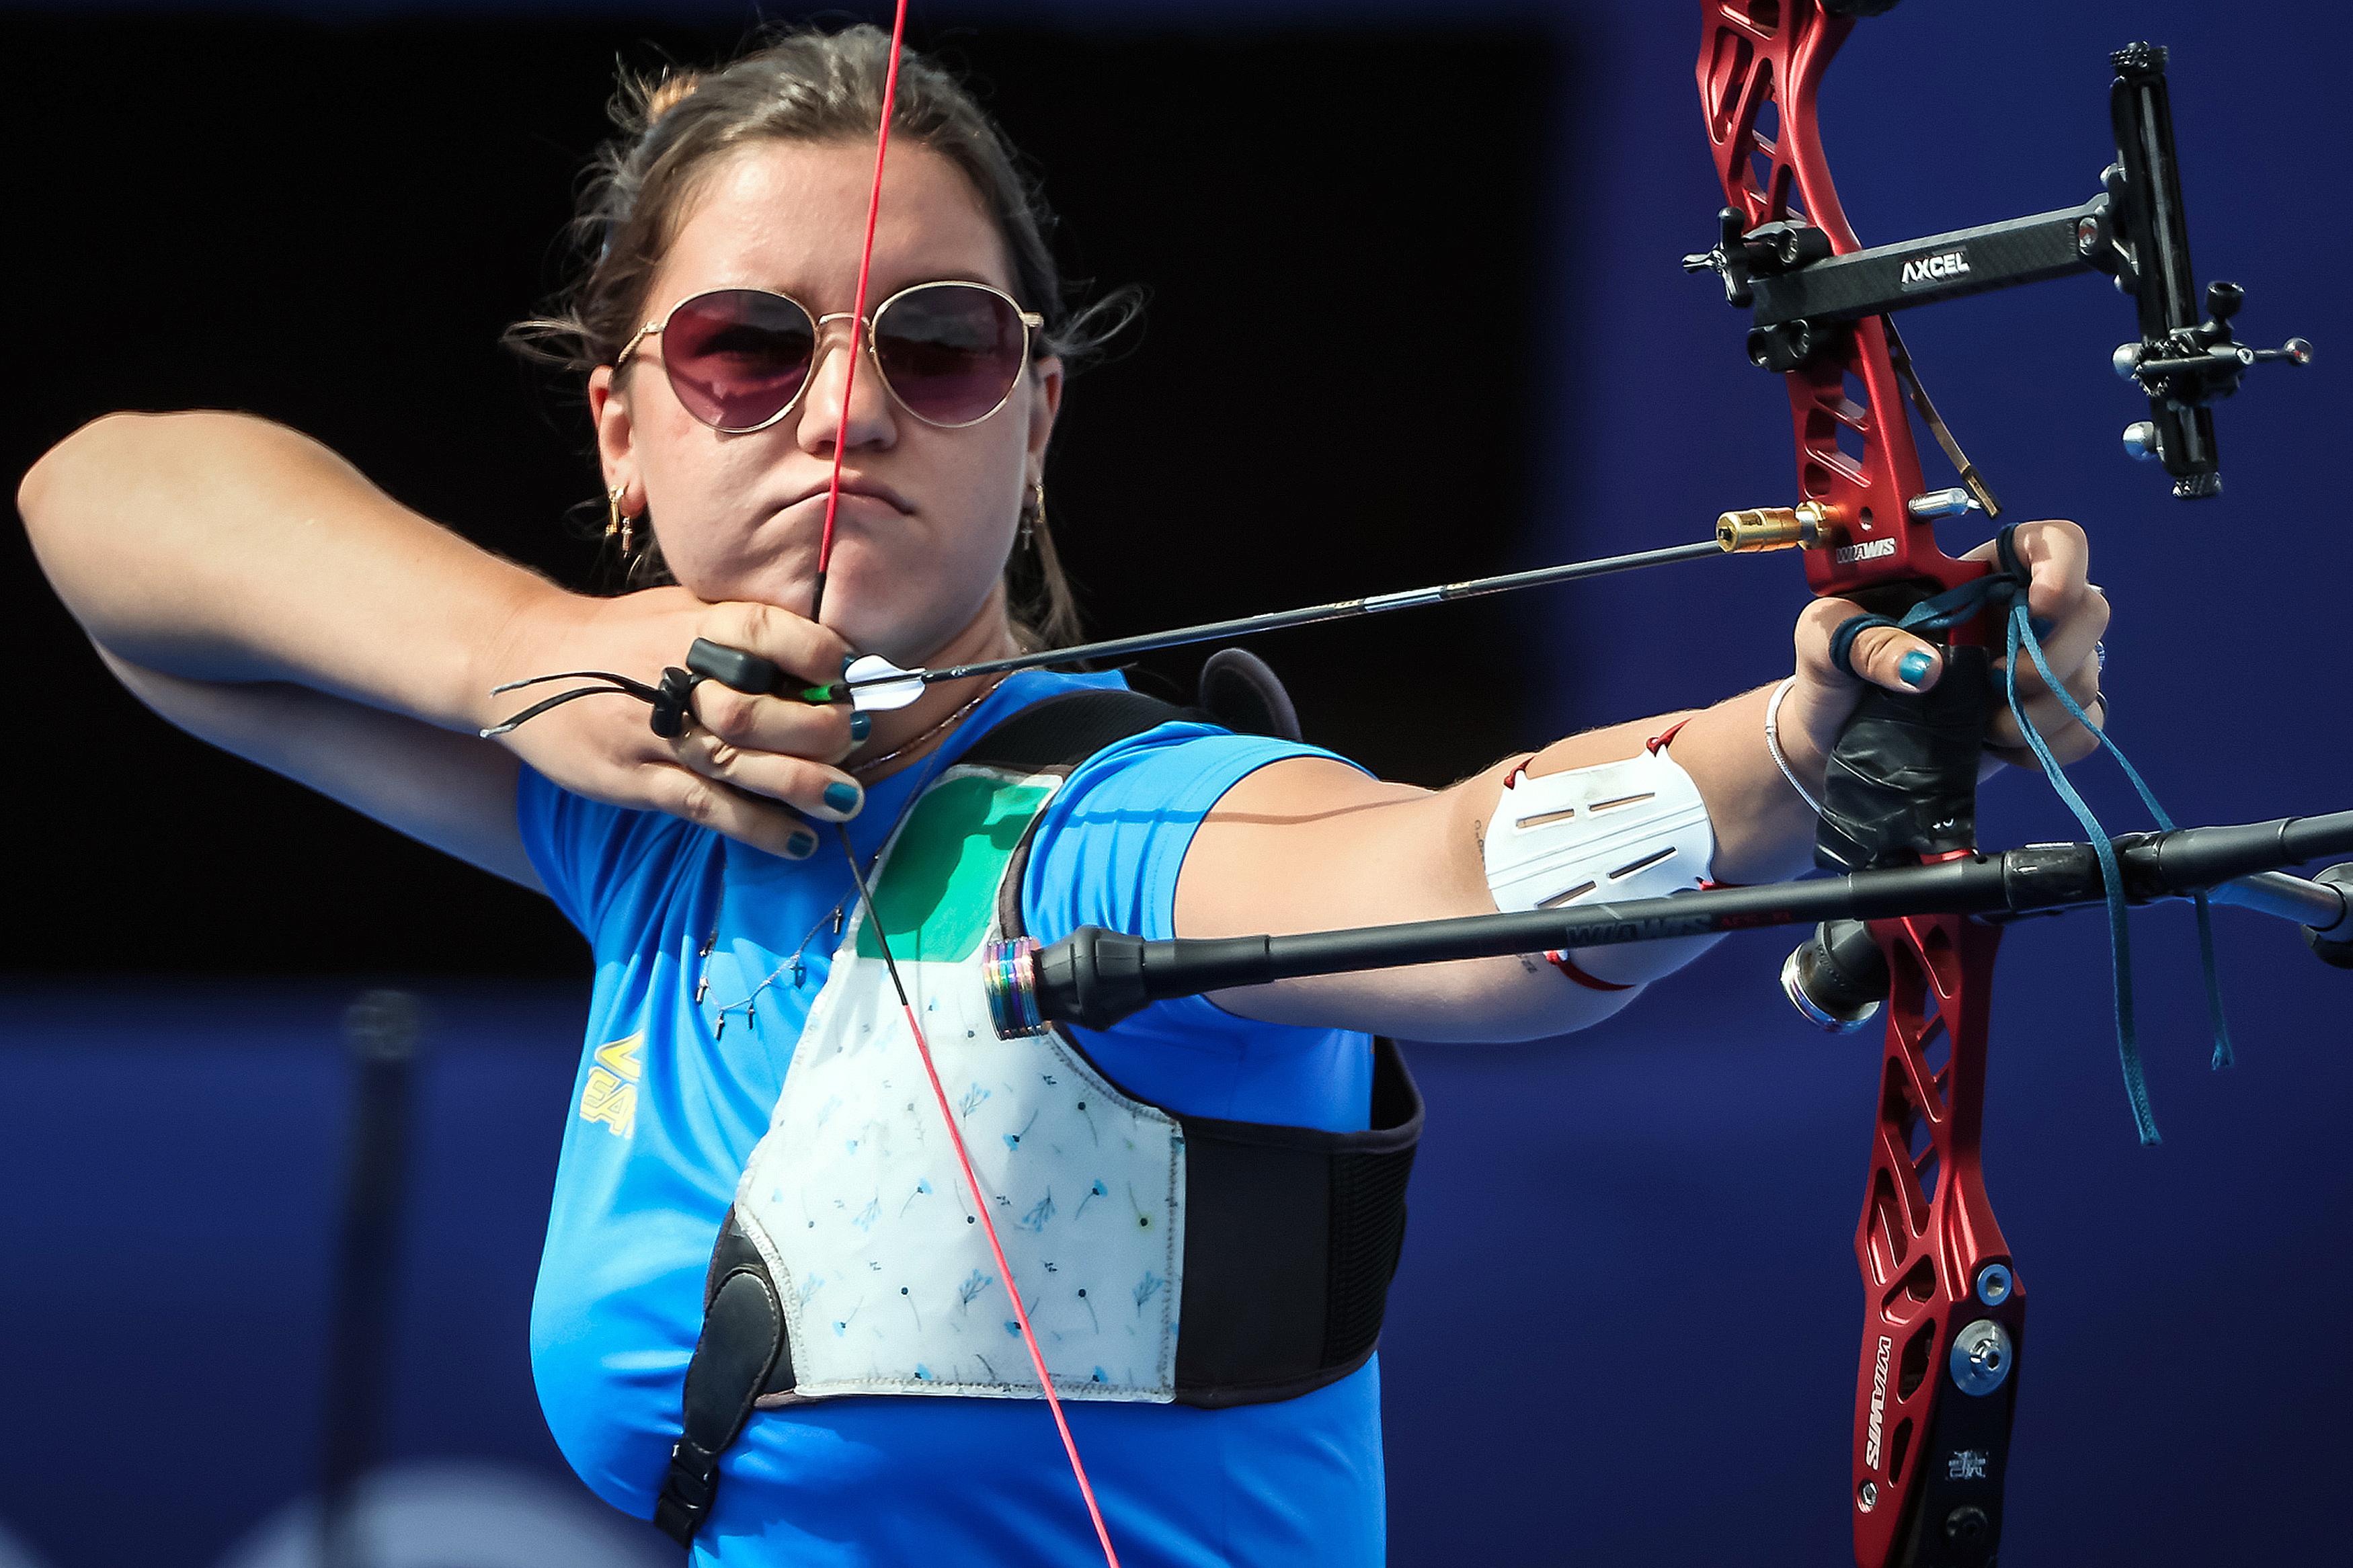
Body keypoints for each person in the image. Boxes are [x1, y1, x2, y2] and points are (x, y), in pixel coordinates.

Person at [14, 24, 2108, 1568]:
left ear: (1034, 416)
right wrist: (516, 657)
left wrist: (1804, 747)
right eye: (746, 347)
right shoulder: (639, 813)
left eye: (937, 348)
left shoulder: (1114, 823)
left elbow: (1456, 883)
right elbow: (111, 531)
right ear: (623, 424)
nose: (845, 409)